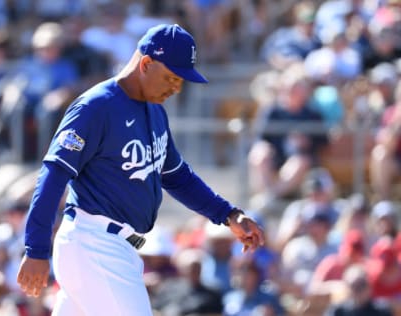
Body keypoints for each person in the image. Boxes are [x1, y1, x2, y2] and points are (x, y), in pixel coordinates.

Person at [16, 23, 265, 316]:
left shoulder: (154, 110)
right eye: (172, 77)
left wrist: (228, 214)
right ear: (146, 64)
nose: (177, 87)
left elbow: (176, 176)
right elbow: (54, 175)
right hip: (94, 243)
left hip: (115, 247)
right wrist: (35, 249)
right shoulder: (96, 107)